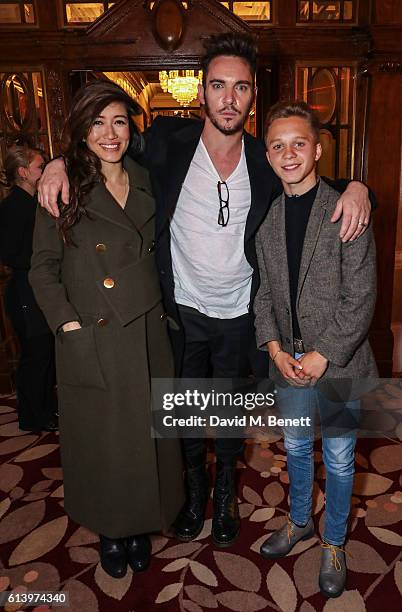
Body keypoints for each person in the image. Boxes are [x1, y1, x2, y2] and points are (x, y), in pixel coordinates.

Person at [37, 33, 373, 548]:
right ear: (202, 92)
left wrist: (359, 187)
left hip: (241, 312)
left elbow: (306, 172)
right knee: (186, 413)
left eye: (241, 88)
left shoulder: (265, 157)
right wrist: (57, 159)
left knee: (231, 419)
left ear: (252, 96)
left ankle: (224, 494)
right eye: (219, 85)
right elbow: (103, 143)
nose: (229, 98)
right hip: (181, 311)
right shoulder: (167, 142)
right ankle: (194, 492)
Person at [29, 81, 184, 579]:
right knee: (105, 445)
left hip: (147, 332)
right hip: (93, 335)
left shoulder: (147, 177)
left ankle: (139, 526)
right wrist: (67, 326)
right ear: (80, 131)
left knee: (147, 441)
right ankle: (112, 532)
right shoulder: (61, 185)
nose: (109, 133)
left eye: (119, 121)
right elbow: (41, 269)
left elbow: (192, 134)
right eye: (97, 123)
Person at [253, 101, 378, 598]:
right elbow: (262, 292)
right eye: (278, 146)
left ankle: (333, 541)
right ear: (267, 156)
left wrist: (324, 354)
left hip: (339, 362)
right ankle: (300, 520)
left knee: (342, 460)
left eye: (298, 143)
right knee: (298, 448)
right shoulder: (266, 221)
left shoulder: (348, 208)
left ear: (318, 149)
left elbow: (361, 294)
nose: (289, 154)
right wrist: (276, 350)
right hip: (289, 363)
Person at [0, 144, 58, 432]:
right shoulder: (13, 207)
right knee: (35, 356)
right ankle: (34, 417)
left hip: (37, 288)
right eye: (39, 167)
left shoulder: (35, 202)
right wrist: (44, 260)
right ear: (23, 173)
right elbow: (9, 253)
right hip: (25, 292)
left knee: (45, 353)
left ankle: (46, 409)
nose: (45, 170)